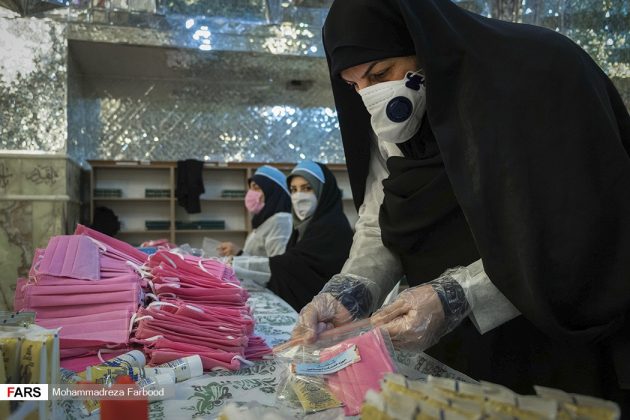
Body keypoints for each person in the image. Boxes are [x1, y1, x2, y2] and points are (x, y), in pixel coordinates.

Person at [292, 0, 630, 409]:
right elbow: (379, 214)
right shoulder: (397, 120)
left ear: (423, 41)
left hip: (554, 329)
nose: (371, 97)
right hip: (452, 340)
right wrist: (354, 289)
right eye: (353, 86)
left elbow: (583, 221)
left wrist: (460, 295)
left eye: (380, 74)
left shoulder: (541, 75)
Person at [267, 161, 354, 311]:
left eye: (307, 188)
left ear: (323, 191)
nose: (298, 196)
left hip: (332, 315)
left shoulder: (332, 227)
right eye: (293, 190)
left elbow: (290, 266)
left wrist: (241, 263)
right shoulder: (302, 228)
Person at [218, 165, 292, 284]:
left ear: (272, 191)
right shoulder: (264, 220)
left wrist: (236, 262)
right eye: (251, 188)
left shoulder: (281, 220)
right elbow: (259, 256)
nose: (251, 193)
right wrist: (238, 253)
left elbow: (275, 265)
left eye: (256, 188)